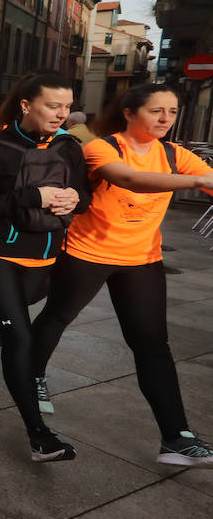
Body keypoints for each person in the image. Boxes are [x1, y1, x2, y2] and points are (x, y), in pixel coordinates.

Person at [28, 84, 213, 465]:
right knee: (57, 317)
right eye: (156, 111)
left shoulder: (175, 155)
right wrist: (198, 182)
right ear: (130, 113)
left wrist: (203, 180)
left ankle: (177, 437)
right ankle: (32, 377)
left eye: (173, 112)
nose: (166, 119)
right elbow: (128, 179)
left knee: (152, 344)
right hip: (86, 252)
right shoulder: (102, 148)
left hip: (142, 258)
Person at [0, 72, 89, 462]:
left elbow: (85, 195)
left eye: (66, 106)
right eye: (53, 105)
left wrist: (73, 200)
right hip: (0, 256)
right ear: (27, 105)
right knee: (20, 338)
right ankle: (39, 436)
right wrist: (32, 195)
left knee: (0, 323)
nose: (61, 113)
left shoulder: (69, 147)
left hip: (46, 258)